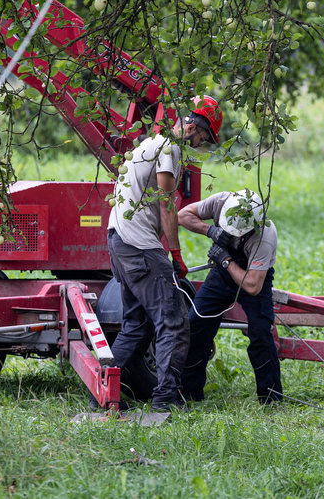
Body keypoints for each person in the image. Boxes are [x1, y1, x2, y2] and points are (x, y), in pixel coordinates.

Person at [107, 95, 221, 411]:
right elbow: (167, 204)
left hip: (118, 241)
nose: (202, 144)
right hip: (139, 245)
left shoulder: (148, 144)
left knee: (136, 325)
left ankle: (102, 394)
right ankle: (165, 400)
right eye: (204, 138)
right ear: (194, 127)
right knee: (173, 322)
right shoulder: (168, 149)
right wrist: (175, 255)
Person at [178, 189, 283, 404]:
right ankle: (190, 393)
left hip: (253, 275)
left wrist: (226, 261)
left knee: (261, 332)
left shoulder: (264, 234)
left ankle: (271, 397)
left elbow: (253, 286)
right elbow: (182, 215)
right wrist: (211, 231)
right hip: (221, 274)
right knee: (197, 323)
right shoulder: (220, 201)